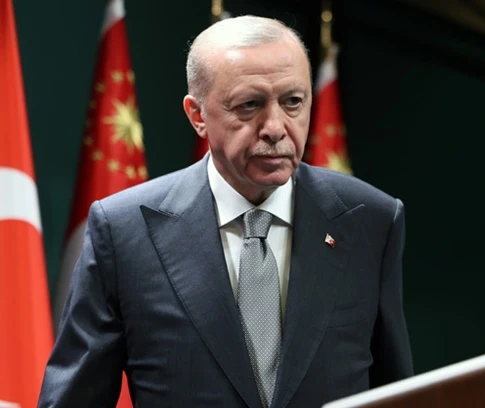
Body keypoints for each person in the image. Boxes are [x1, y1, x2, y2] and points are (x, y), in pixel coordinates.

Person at [38, 15, 413, 408]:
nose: (275, 127)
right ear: (197, 115)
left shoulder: (371, 219)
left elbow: (399, 393)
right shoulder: (124, 231)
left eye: (293, 102)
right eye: (249, 105)